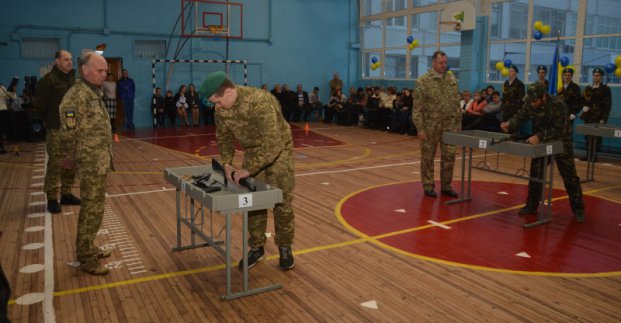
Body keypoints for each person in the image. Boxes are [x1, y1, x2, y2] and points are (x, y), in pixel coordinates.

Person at [199, 71, 296, 271]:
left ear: (227, 92)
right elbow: (224, 138)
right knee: (254, 202)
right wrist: (226, 162)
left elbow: (273, 144)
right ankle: (257, 247)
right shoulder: (221, 111)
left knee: (282, 201)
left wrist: (247, 170)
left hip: (279, 152)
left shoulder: (260, 102)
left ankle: (285, 248)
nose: (215, 107)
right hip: (253, 153)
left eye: (216, 101)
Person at [58, 51, 114, 274]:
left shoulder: (92, 92)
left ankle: (88, 246)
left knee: (96, 207)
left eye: (105, 71)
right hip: (89, 162)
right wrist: (69, 157)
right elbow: (68, 132)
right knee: (91, 208)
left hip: (98, 160)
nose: (104, 75)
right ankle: (86, 256)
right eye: (100, 71)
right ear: (84, 70)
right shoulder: (75, 96)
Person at [500, 83, 585, 223]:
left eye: (535, 101)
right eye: (531, 101)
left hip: (561, 142)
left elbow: (559, 129)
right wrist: (510, 123)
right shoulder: (531, 102)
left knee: (569, 176)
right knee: (536, 173)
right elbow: (521, 115)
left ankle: (579, 209)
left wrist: (539, 136)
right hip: (542, 144)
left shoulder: (559, 105)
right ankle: (531, 206)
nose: (532, 104)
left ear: (544, 96)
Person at [34, 50, 81, 214]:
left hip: (71, 127)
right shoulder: (48, 80)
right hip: (55, 127)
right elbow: (39, 104)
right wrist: (50, 120)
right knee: (55, 162)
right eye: (66, 59)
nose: (70, 62)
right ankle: (52, 198)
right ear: (57, 61)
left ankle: (66, 193)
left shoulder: (73, 80)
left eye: (71, 59)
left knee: (71, 160)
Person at [412, 50, 461, 198]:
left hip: (449, 125)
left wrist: (458, 123)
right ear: (433, 62)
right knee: (428, 157)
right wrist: (420, 128)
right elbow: (416, 109)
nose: (444, 65)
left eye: (445, 62)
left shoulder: (451, 77)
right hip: (430, 126)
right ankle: (428, 185)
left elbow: (456, 102)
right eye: (441, 62)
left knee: (449, 156)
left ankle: (446, 185)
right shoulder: (423, 81)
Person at [580, 67, 611, 162]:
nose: (596, 77)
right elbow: (583, 100)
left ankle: (594, 156)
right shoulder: (588, 88)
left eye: (598, 76)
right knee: (588, 136)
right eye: (594, 75)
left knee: (597, 138)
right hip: (588, 116)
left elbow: (607, 105)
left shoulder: (605, 89)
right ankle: (588, 155)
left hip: (598, 117)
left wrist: (603, 118)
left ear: (601, 77)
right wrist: (584, 107)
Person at [0, 83, 17, 154]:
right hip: (2, 111)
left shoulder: (2, 87)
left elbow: (12, 97)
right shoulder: (2, 87)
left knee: (1, 130)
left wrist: (13, 91)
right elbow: (12, 97)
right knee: (0, 130)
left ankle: (1, 147)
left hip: (2, 111)